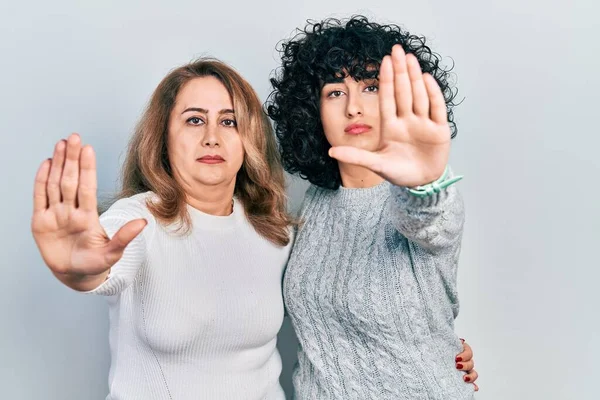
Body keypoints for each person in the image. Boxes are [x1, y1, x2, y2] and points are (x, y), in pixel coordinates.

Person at [31, 59, 295, 400]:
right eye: (194, 120)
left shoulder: (274, 230)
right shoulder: (139, 219)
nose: (212, 138)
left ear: (250, 137)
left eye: (228, 121)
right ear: (164, 138)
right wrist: (80, 270)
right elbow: (103, 263)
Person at [267, 16, 478, 399]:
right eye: (334, 91)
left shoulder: (418, 198)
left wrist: (423, 182)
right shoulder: (310, 203)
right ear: (311, 111)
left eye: (370, 87)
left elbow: (431, 217)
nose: (353, 108)